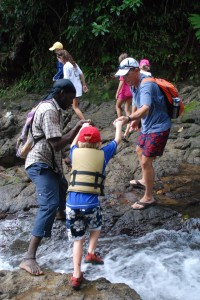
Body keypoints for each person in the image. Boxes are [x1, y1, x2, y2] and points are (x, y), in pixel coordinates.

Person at [19, 79, 90, 276]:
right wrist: (79, 126)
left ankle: (60, 214)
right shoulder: (50, 110)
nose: (72, 101)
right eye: (71, 97)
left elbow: (51, 143)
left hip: (49, 161)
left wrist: (65, 158)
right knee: (48, 204)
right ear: (61, 94)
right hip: (39, 163)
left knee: (62, 185)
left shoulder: (52, 107)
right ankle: (29, 257)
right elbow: (57, 143)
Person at [66, 120, 123, 289]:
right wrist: (118, 127)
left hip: (72, 205)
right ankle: (91, 253)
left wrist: (82, 128)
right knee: (96, 226)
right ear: (99, 143)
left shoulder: (73, 152)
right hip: (91, 205)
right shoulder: (103, 153)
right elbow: (117, 140)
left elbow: (72, 143)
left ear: (80, 142)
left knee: (78, 241)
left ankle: (76, 275)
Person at [114, 57, 171, 210]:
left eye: (127, 74)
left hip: (159, 127)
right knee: (139, 150)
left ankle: (148, 197)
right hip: (147, 125)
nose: (124, 78)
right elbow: (135, 102)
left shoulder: (147, 85)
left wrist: (128, 118)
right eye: (123, 75)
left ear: (136, 70)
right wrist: (135, 120)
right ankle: (146, 180)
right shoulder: (133, 82)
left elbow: (145, 107)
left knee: (146, 161)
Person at [57, 49, 88, 120]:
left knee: (75, 107)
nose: (58, 60)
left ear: (61, 58)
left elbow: (66, 80)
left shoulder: (66, 66)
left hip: (73, 89)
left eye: (58, 58)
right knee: (73, 105)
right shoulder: (73, 63)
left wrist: (62, 90)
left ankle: (84, 121)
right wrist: (84, 85)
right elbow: (81, 74)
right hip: (78, 87)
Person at [115, 53, 132, 139]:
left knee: (118, 106)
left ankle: (120, 123)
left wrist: (117, 92)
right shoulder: (130, 69)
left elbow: (121, 82)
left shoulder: (123, 69)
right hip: (131, 92)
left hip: (124, 92)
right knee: (127, 109)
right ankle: (127, 131)